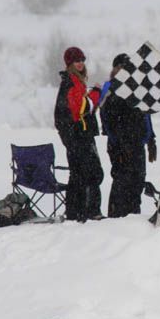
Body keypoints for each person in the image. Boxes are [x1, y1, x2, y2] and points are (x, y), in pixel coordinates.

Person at [100, 53, 157, 218]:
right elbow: (107, 119)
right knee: (121, 181)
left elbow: (146, 115)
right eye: (120, 67)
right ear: (115, 69)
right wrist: (120, 143)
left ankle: (133, 215)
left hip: (138, 143)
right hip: (119, 144)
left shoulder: (136, 89)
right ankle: (116, 216)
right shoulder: (110, 89)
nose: (123, 70)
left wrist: (151, 139)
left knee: (138, 181)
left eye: (127, 67)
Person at [54, 47, 104, 222]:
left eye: (82, 59)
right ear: (70, 64)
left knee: (79, 175)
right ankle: (88, 212)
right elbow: (81, 109)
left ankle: (77, 212)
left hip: (76, 137)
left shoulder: (74, 81)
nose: (81, 63)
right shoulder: (72, 82)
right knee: (91, 174)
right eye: (77, 60)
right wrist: (97, 93)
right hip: (78, 137)